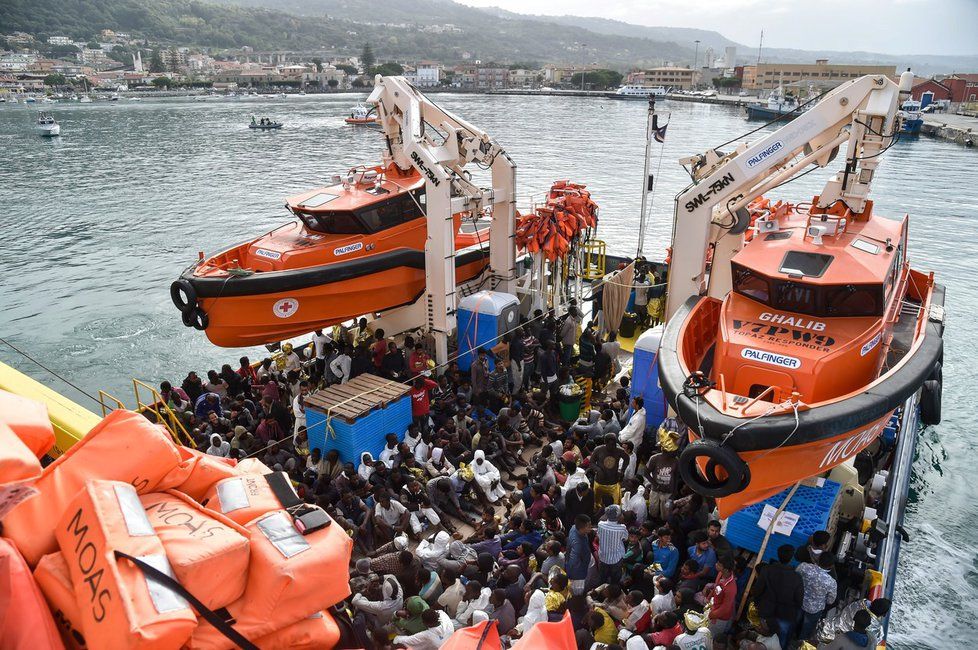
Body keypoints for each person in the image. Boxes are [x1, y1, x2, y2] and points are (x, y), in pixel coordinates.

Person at [753, 544, 804, 648]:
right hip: (785, 615)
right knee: (781, 640)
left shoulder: (767, 570)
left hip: (766, 612)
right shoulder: (797, 577)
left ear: (778, 555)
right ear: (791, 558)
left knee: (764, 638)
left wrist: (759, 605)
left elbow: (757, 590)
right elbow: (799, 600)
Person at [797, 552, 838, 642]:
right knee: (806, 629)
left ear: (818, 559)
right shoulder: (831, 582)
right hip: (814, 609)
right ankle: (800, 643)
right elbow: (830, 601)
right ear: (831, 566)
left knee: (793, 622)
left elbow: (795, 577)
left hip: (798, 602)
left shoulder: (804, 567)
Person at [590, 433, 628, 508]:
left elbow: (627, 459)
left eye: (614, 444)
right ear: (605, 443)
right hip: (600, 482)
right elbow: (591, 462)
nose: (612, 447)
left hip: (613, 482)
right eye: (610, 444)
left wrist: (622, 470)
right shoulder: (598, 450)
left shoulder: (619, 451)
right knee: (596, 504)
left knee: (616, 505)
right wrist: (598, 470)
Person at [596, 505, 629, 584]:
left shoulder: (600, 524)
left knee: (602, 578)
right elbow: (625, 538)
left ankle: (601, 592)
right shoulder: (622, 528)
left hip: (603, 557)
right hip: (616, 559)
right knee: (615, 579)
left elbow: (598, 535)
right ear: (618, 516)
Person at [706, 555, 737, 637]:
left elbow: (725, 609)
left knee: (711, 636)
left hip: (719, 618)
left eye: (719, 565)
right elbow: (716, 587)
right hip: (714, 609)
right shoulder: (721, 573)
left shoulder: (731, 588)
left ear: (726, 569)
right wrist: (708, 598)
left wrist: (711, 615)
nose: (716, 564)